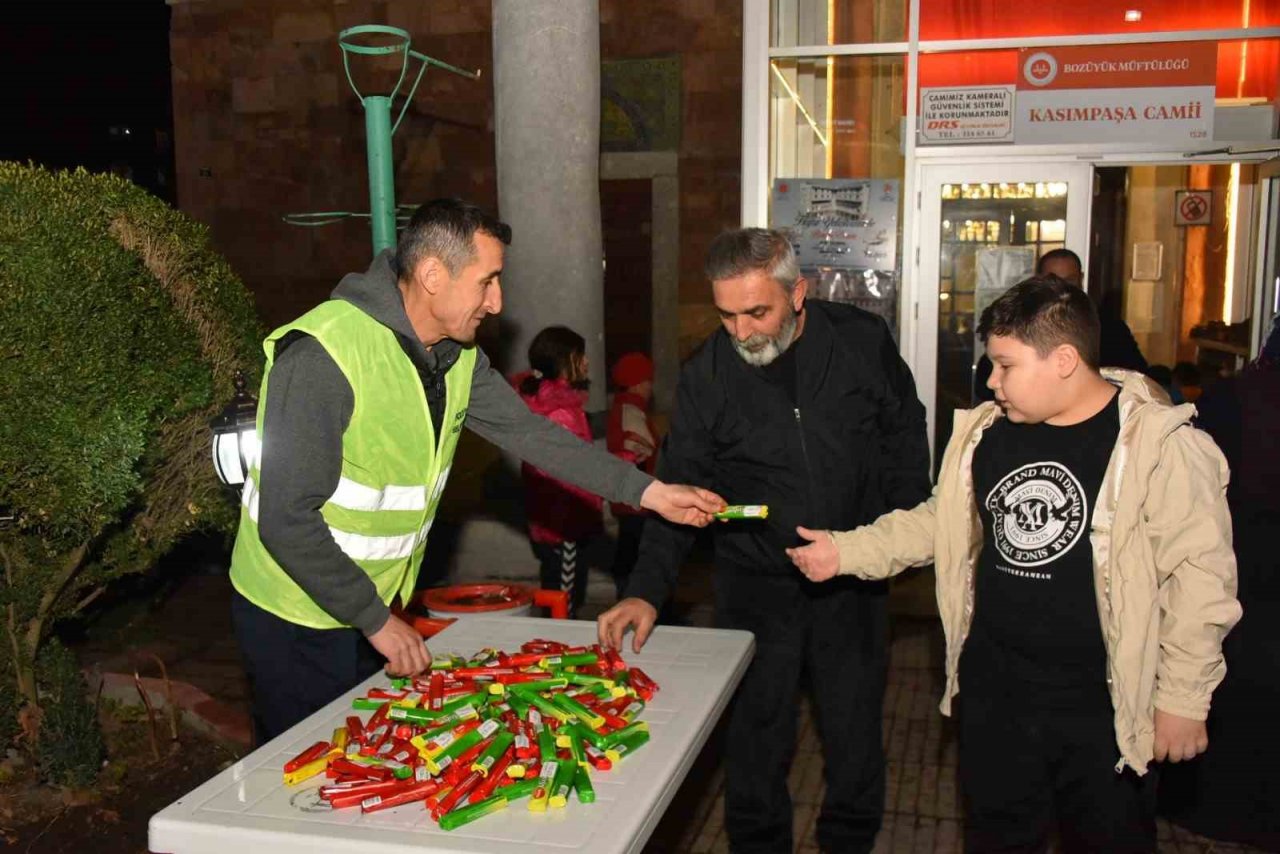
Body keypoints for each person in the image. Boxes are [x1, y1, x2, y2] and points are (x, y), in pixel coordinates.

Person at [228, 198, 724, 743]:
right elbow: (284, 517)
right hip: (295, 614)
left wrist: (649, 493)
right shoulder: (326, 357)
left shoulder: (455, 356)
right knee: (306, 780)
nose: (497, 302)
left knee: (367, 759)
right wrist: (375, 619)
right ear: (433, 275)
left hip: (365, 611)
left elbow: (535, 436)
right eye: (487, 281)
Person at [788, 275, 1241, 853]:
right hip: (996, 698)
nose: (992, 382)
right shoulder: (989, 436)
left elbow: (1201, 580)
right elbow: (940, 521)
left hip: (1102, 707)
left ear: (1065, 361)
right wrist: (847, 551)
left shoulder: (1159, 446)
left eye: (1005, 366)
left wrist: (1182, 699)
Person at [597, 228, 932, 854]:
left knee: (854, 730)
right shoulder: (707, 376)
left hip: (851, 576)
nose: (743, 331)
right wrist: (645, 591)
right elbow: (677, 490)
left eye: (759, 312)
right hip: (755, 583)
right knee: (755, 737)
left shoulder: (861, 343)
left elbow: (904, 434)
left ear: (797, 293)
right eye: (727, 315)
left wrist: (895, 534)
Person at [973, 248, 1147, 402]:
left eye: (1069, 281)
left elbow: (1136, 377)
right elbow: (987, 379)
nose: (1061, 287)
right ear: (1038, 280)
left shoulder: (1109, 327)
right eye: (1053, 280)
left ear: (1081, 279)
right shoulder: (1019, 324)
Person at [514, 326, 602, 618]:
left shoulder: (559, 406)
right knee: (563, 607)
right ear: (565, 361)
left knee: (558, 599)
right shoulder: (559, 413)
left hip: (559, 523)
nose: (587, 362)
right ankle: (556, 656)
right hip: (564, 525)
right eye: (581, 355)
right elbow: (566, 473)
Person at [606, 351, 658, 598]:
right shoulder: (631, 409)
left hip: (630, 499)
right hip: (637, 500)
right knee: (637, 559)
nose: (651, 387)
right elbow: (643, 447)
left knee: (630, 556)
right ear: (638, 382)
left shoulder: (625, 407)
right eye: (648, 380)